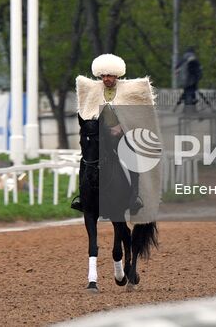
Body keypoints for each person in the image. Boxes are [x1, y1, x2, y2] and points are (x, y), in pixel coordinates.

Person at [75, 52, 159, 292]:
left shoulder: (129, 92)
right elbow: (88, 113)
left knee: (132, 159)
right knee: (86, 160)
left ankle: (135, 194)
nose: (107, 79)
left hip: (124, 137)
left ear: (117, 75)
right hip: (101, 138)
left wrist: (121, 127)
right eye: (103, 75)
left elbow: (139, 116)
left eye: (110, 75)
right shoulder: (93, 92)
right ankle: (82, 195)